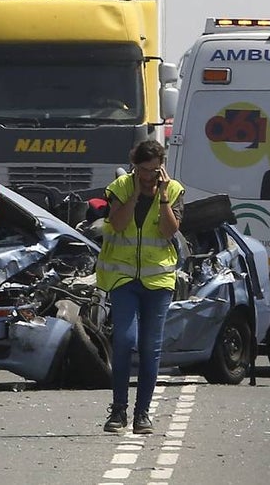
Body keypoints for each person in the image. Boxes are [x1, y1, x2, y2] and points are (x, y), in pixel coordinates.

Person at [96, 139, 183, 434]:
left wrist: (163, 198)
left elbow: (169, 231)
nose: (148, 177)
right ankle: (118, 409)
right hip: (123, 279)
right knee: (124, 340)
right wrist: (134, 196)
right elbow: (118, 224)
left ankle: (142, 413)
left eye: (154, 171)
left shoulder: (174, 190)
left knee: (150, 347)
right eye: (143, 170)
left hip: (158, 280)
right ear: (135, 167)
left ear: (162, 168)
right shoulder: (121, 187)